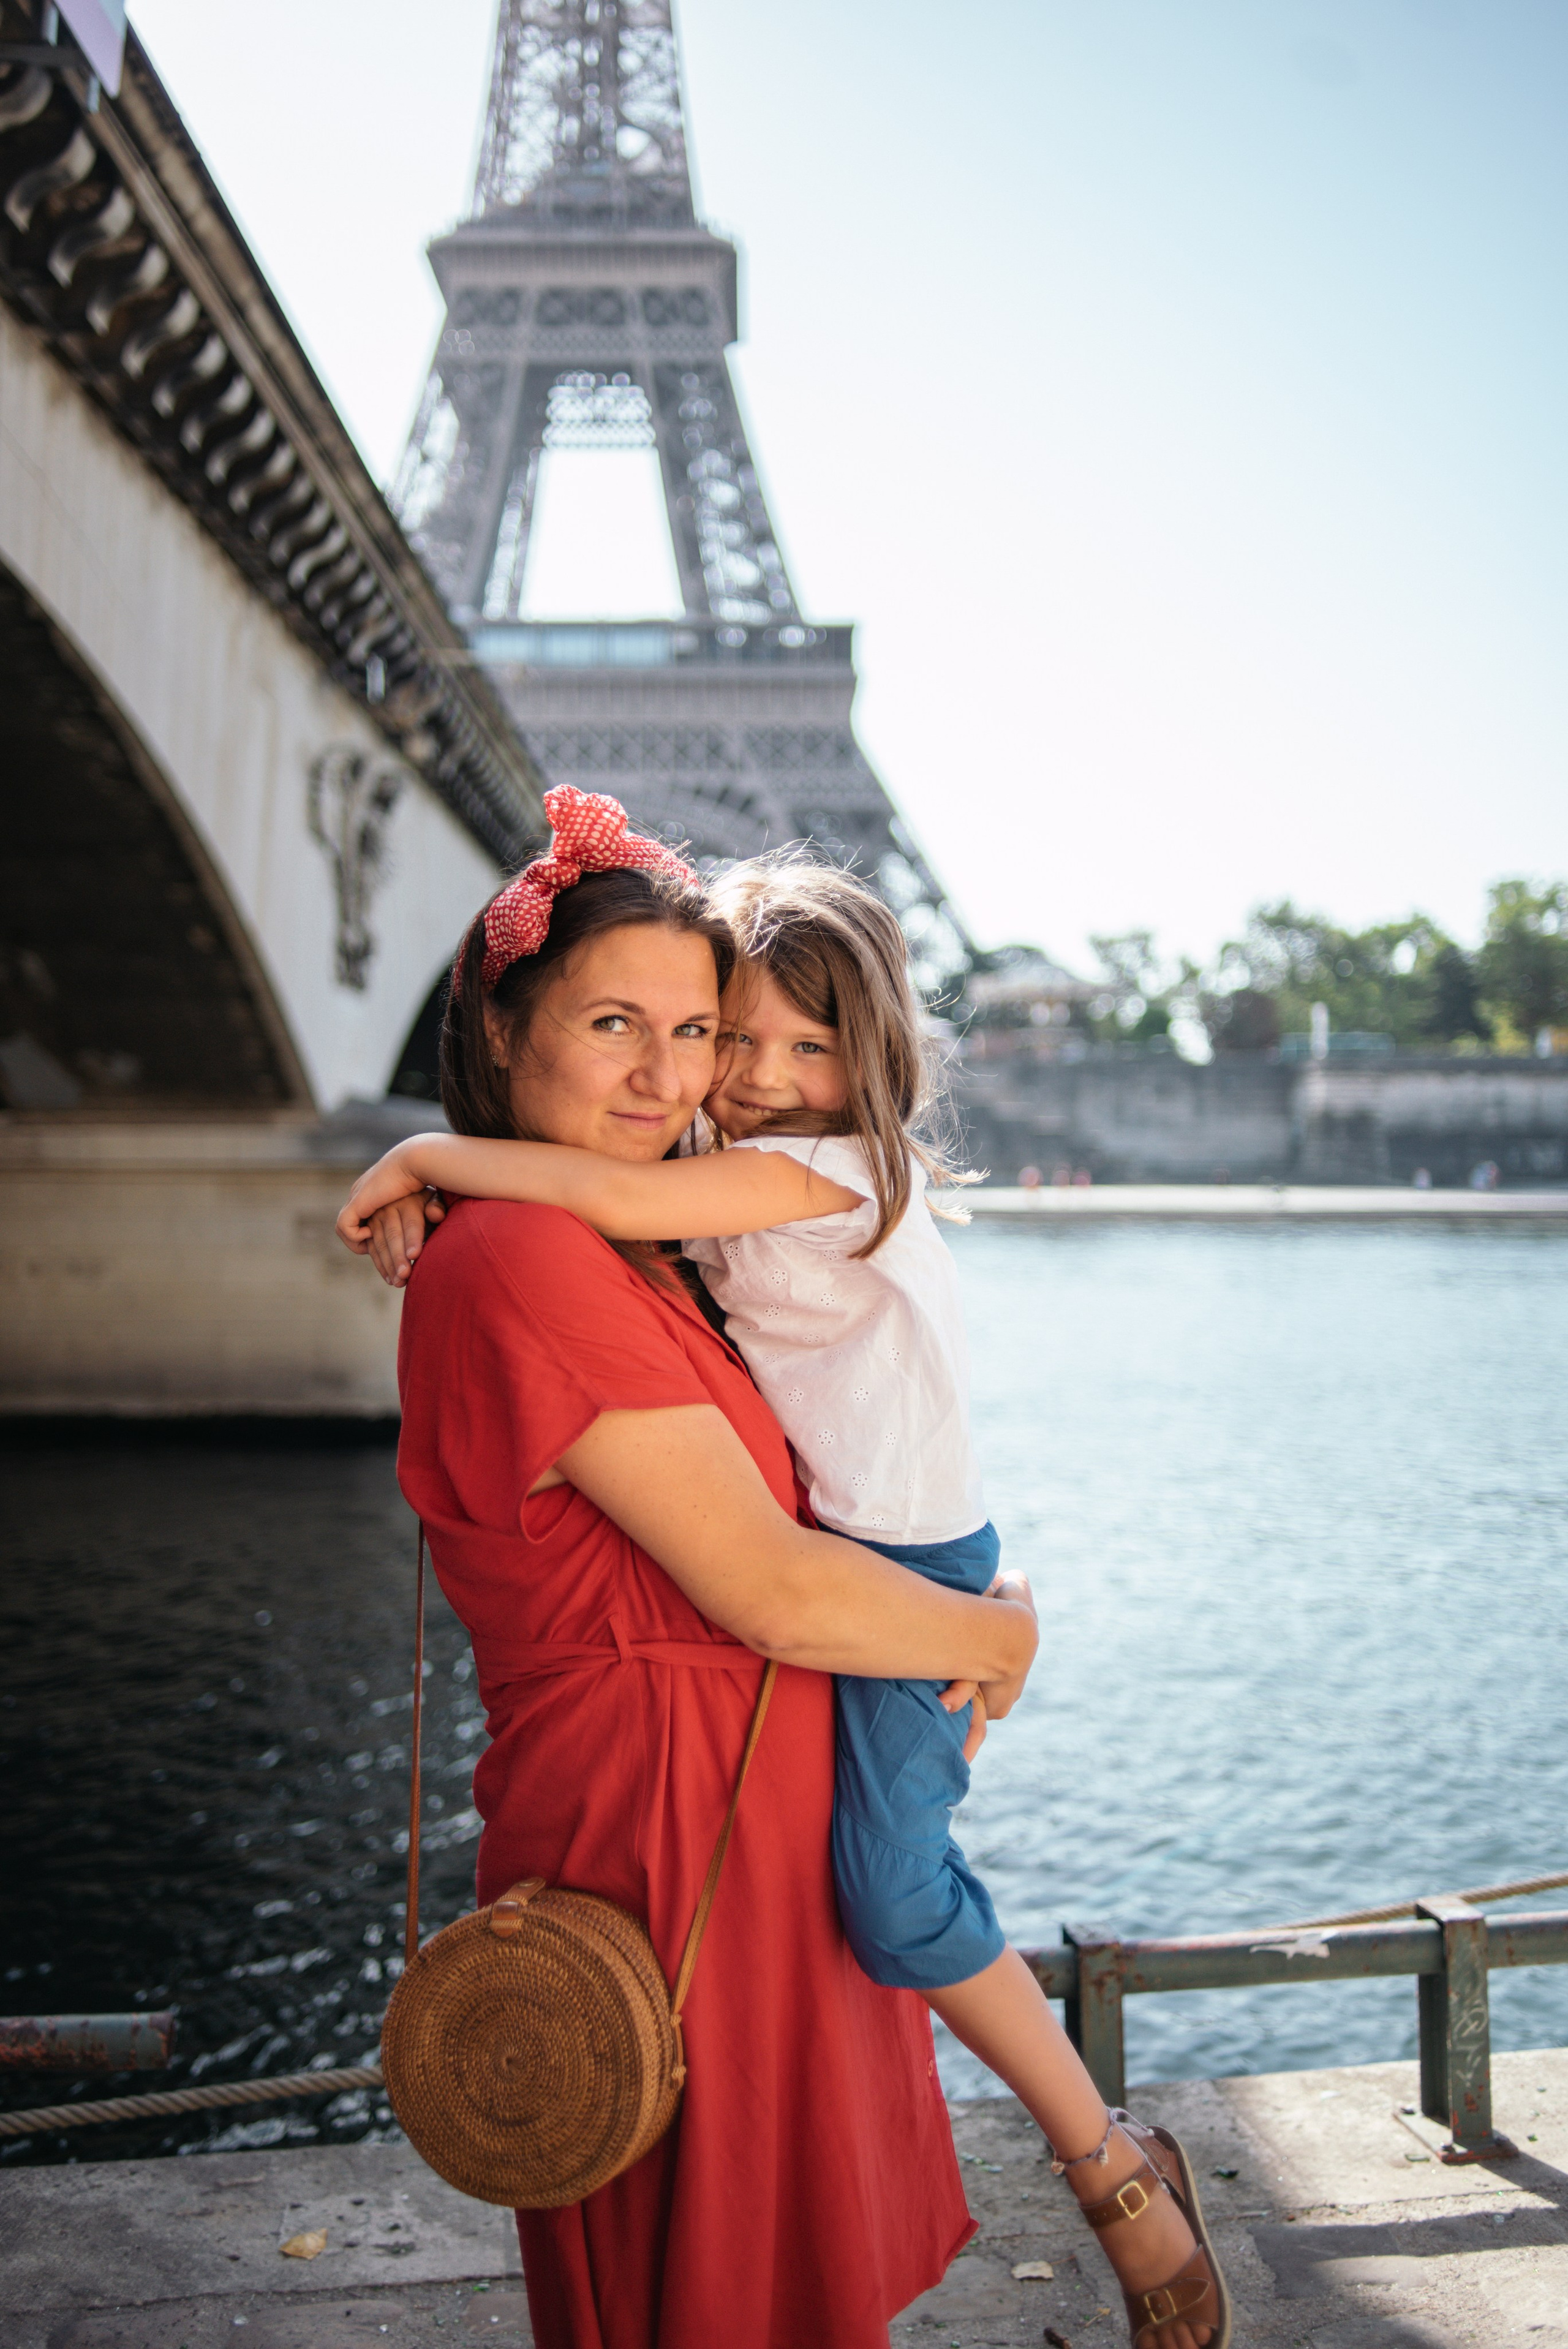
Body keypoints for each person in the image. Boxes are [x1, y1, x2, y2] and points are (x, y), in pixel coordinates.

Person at [345, 800, 1229, 2349]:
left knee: (743, 2285)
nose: (682, 1077)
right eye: (617, 1022)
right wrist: (992, 1637)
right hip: (665, 1829)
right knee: (708, 2282)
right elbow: (769, 1585)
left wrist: (442, 1158)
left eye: (699, 1030)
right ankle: (1105, 2166)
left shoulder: (649, 1225)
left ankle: (1106, 2163)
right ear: (499, 1024)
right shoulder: (528, 1248)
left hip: (741, 1808)